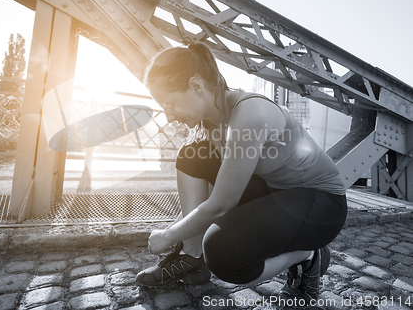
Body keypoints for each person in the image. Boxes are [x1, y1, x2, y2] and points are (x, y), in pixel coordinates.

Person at [136, 42, 347, 305]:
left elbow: (221, 203)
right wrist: (185, 233)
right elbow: (216, 192)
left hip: (322, 203)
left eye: (170, 104)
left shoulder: (250, 113)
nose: (168, 116)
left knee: (223, 252)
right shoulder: (212, 123)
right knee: (192, 155)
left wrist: (168, 235)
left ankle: (308, 255)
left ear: (196, 87)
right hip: (277, 191)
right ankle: (192, 256)